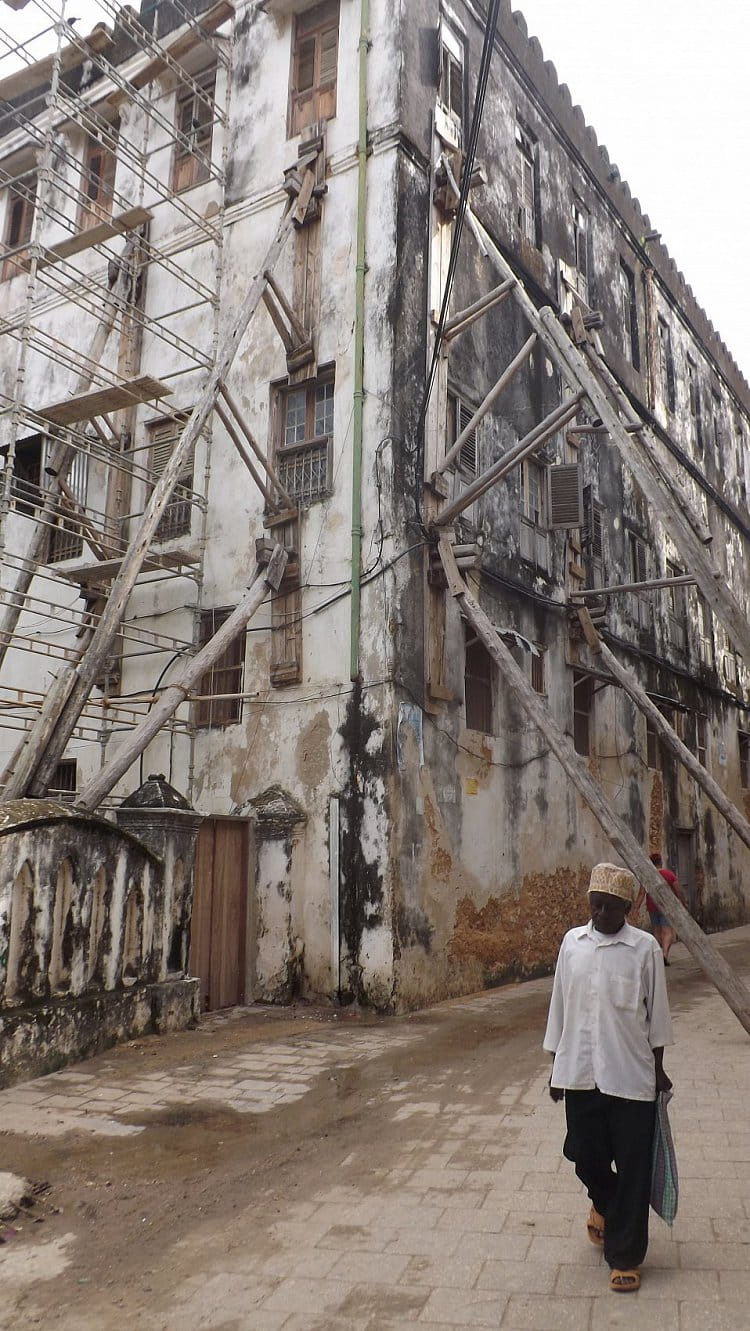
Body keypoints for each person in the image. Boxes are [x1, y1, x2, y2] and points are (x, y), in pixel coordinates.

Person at [543, 862, 673, 1294]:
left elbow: (657, 1017)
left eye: (609, 907)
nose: (598, 914)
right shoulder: (572, 945)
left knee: (635, 1167)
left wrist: (658, 1071)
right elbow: (560, 1006)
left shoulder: (645, 949)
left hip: (631, 1075)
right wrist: (555, 1069)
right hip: (580, 1073)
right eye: (594, 905)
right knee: (583, 1153)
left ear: (627, 908)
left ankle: (625, 1256)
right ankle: (605, 1204)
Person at [643, 852, 687, 965]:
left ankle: (658, 955)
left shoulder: (648, 876)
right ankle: (665, 954)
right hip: (667, 906)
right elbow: (678, 890)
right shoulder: (669, 874)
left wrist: (636, 906)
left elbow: (641, 892)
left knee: (657, 931)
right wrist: (682, 903)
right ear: (660, 862)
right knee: (667, 931)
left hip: (652, 906)